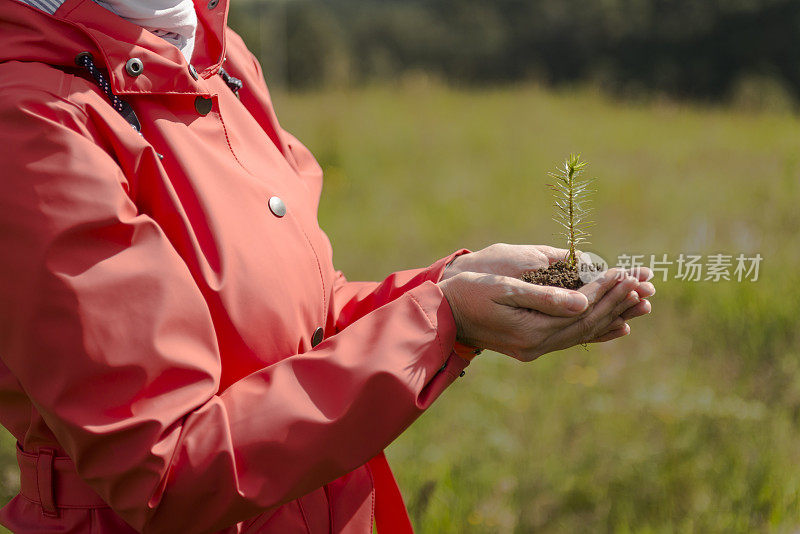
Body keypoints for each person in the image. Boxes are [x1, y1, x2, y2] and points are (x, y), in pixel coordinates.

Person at [0, 0, 654, 531]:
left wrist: (450, 287)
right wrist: (440, 322)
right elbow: (166, 473)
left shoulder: (212, 51)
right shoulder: (30, 120)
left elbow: (296, 323)